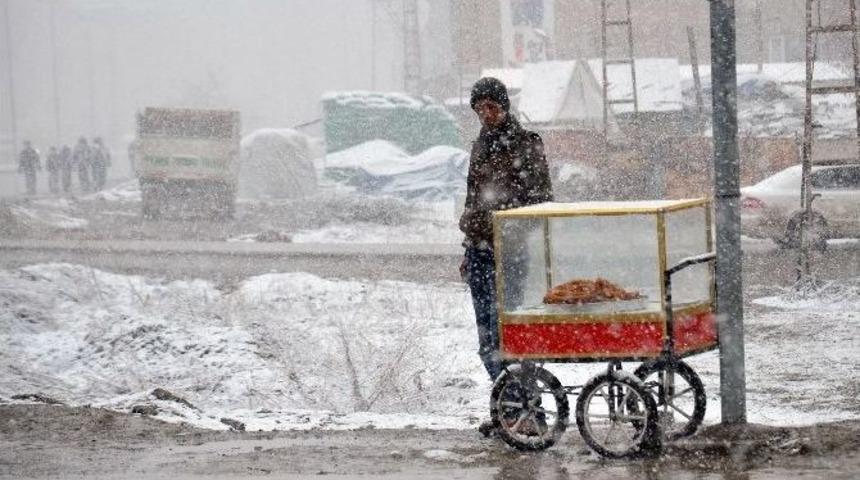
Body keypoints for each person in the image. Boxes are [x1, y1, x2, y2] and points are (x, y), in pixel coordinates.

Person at [458, 78, 553, 434]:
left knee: (514, 337)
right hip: (480, 252)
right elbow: (473, 199)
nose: (485, 114)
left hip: (511, 253)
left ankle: (527, 413)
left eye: (491, 107)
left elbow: (541, 200)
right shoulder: (480, 146)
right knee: (489, 342)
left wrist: (508, 226)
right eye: (479, 108)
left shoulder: (525, 145)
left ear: (504, 106)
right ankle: (512, 410)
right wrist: (469, 247)